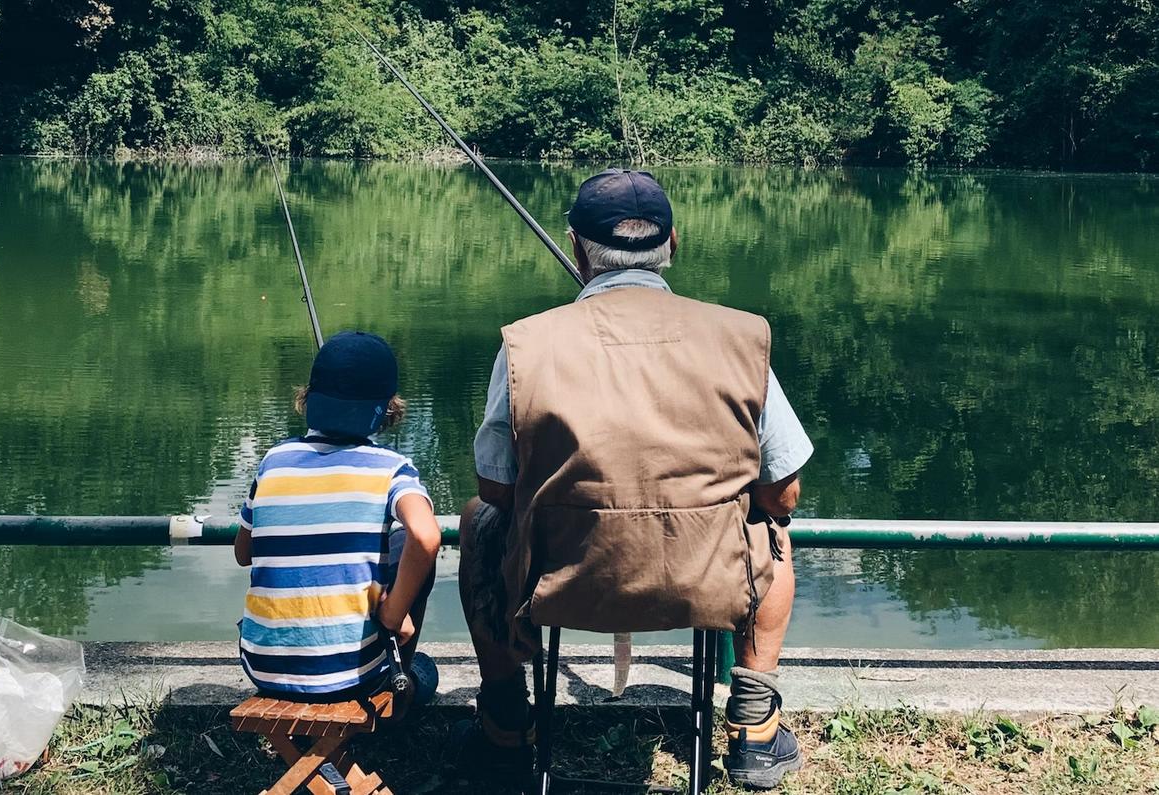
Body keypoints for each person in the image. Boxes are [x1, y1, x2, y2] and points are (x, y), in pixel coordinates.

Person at [456, 170, 813, 789]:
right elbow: (781, 493)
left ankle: (506, 721)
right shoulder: (741, 336)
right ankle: (754, 727)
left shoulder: (524, 346)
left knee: (479, 523)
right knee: (774, 532)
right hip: (709, 582)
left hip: (561, 583)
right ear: (674, 242)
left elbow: (496, 491)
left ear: (575, 247)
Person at [233, 330, 441, 705]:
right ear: (386, 409)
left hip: (263, 669)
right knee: (427, 669)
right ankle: (400, 682)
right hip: (352, 679)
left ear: (309, 398)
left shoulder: (273, 462)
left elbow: (243, 553)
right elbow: (426, 537)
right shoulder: (393, 468)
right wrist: (394, 614)